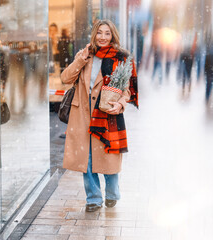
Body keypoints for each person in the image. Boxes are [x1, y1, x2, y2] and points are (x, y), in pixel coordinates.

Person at [61, 20, 138, 212]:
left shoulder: (121, 57)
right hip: (83, 115)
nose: (103, 37)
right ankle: (93, 199)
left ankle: (112, 193)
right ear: (94, 35)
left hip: (107, 115)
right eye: (99, 33)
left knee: (107, 158)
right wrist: (81, 59)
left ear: (113, 36)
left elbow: (127, 89)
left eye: (107, 34)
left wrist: (120, 104)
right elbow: (65, 78)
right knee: (87, 161)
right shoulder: (85, 54)